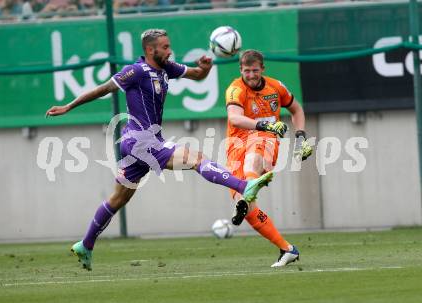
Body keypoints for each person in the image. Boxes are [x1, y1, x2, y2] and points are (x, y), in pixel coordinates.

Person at [46, 29, 273, 271]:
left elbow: (197, 75)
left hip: (137, 144)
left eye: (169, 46)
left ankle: (86, 244)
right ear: (150, 50)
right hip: (141, 141)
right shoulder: (135, 71)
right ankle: (243, 186)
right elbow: (102, 89)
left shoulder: (166, 68)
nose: (169, 51)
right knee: (196, 158)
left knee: (119, 198)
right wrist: (69, 106)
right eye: (165, 47)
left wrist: (205, 67)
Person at [225, 49, 312, 267]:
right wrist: (263, 122)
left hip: (265, 139)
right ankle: (287, 249)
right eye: (247, 71)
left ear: (262, 69)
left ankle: (251, 183)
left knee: (254, 157)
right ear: (240, 70)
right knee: (245, 207)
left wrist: (300, 136)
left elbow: (296, 109)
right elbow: (234, 119)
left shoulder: (276, 87)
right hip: (236, 145)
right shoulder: (236, 89)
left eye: (255, 70)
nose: (251, 75)